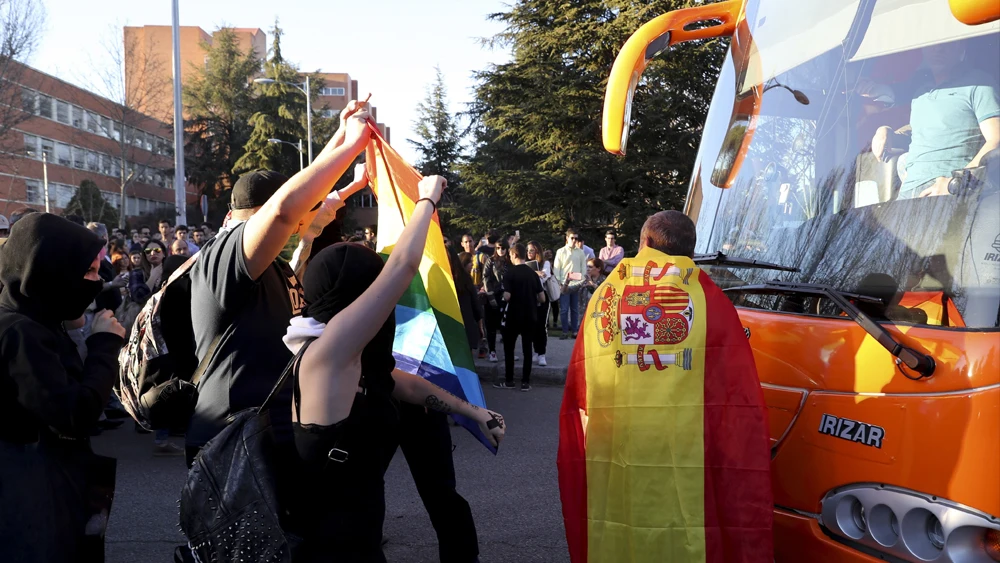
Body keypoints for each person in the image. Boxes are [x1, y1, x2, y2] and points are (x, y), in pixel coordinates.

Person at [282, 175, 505, 562]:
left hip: (356, 539)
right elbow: (401, 267)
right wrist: (426, 200)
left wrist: (473, 411)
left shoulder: (342, 353)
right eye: (372, 288)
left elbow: (403, 384)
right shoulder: (327, 353)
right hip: (332, 548)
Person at [557, 210, 773, 563]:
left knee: (617, 525)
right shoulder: (709, 300)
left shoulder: (606, 297)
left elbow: (583, 378)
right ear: (690, 250)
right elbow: (735, 396)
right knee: (680, 528)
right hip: (683, 455)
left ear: (645, 242)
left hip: (616, 446)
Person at [184, 101, 373, 467]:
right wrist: (351, 145)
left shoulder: (270, 264)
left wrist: (345, 157)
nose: (303, 224)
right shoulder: (225, 255)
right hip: (230, 441)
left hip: (263, 431)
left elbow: (312, 217)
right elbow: (285, 211)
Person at [0, 213, 126, 563]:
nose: (97, 281)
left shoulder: (35, 321)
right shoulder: (21, 333)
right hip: (31, 504)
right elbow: (75, 414)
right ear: (49, 274)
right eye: (87, 272)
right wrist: (104, 345)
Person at [870, 41, 1000, 199]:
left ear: (961, 46)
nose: (939, 48)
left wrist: (957, 182)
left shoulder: (979, 83)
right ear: (924, 49)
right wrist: (885, 131)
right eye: (933, 43)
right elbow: (923, 137)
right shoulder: (921, 93)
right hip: (906, 195)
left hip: (948, 192)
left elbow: (996, 140)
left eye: (948, 43)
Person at [496, 243, 545, 391]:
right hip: (530, 315)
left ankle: (509, 380)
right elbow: (542, 298)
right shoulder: (532, 274)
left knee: (509, 348)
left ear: (515, 255)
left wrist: (502, 294)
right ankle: (525, 382)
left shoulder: (510, 273)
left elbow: (507, 296)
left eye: (510, 255)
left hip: (513, 316)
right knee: (527, 349)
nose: (510, 258)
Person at [554, 228, 587, 339]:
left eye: (576, 238)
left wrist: (581, 281)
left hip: (577, 284)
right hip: (565, 284)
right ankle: (564, 331)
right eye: (572, 238)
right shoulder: (561, 251)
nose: (574, 240)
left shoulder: (581, 252)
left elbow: (584, 269)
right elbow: (557, 269)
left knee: (575, 309)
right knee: (564, 309)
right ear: (567, 238)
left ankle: (574, 331)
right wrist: (559, 283)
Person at [482, 239, 510, 363]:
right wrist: (491, 296)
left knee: (507, 326)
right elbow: (486, 278)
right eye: (498, 248)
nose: (501, 250)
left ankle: (508, 352)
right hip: (493, 295)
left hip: (506, 296)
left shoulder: (510, 261)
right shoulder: (491, 261)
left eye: (503, 248)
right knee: (491, 326)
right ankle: (492, 351)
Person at [451, 249, 483, 356]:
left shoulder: (450, 278)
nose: (472, 266)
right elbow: (475, 305)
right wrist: (480, 323)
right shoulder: (466, 280)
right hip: (467, 321)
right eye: (470, 263)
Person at [526, 241, 551, 366]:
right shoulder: (525, 264)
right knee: (532, 325)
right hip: (529, 297)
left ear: (537, 251)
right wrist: (535, 273)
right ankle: (536, 351)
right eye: (527, 250)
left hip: (542, 297)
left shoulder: (545, 263)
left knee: (541, 325)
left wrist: (535, 274)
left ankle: (542, 353)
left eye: (531, 250)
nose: (529, 253)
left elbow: (544, 277)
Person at [579, 257, 606, 327]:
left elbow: (603, 293)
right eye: (587, 266)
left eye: (590, 267)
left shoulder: (604, 280)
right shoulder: (584, 280)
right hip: (584, 312)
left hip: (598, 313)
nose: (587, 269)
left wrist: (591, 283)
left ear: (598, 268)